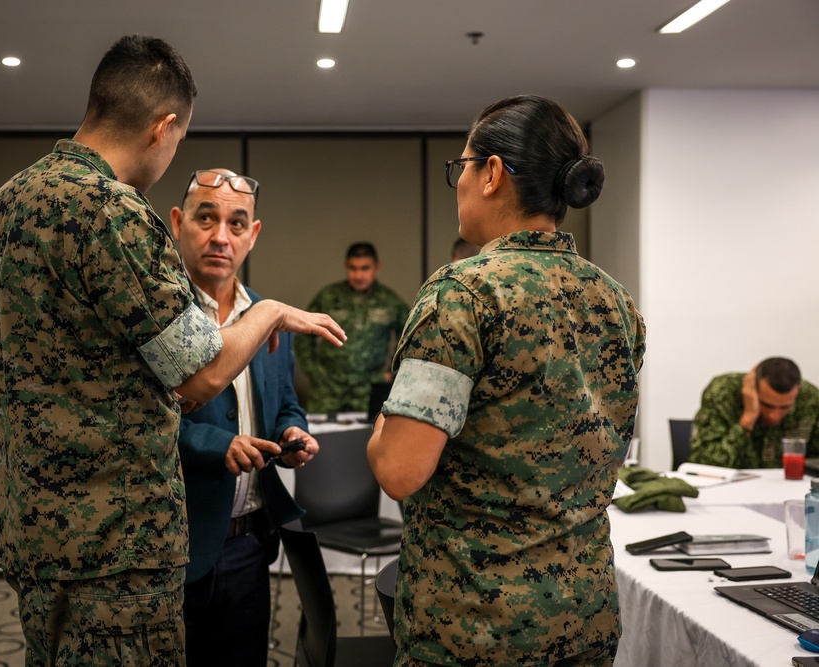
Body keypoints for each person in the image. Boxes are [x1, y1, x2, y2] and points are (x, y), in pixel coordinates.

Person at [0, 36, 344, 666]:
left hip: (30, 524)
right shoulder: (109, 210)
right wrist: (273, 309)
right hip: (111, 539)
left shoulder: (4, 205)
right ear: (163, 128)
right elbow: (200, 377)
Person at [366, 95, 646, 666]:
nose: (459, 183)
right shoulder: (615, 302)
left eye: (461, 167)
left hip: (475, 626)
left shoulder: (464, 294)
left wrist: (386, 419)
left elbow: (398, 469)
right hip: (584, 618)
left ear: (492, 173)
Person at [170, 168, 317, 666]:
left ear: (252, 235)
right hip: (175, 544)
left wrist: (292, 431)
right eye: (205, 218)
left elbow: (284, 402)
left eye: (236, 223)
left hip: (252, 542)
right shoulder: (157, 317)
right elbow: (144, 423)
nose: (220, 236)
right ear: (178, 223)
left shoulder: (271, 316)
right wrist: (219, 447)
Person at [295, 242, 409, 413]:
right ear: (346, 266)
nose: (358, 275)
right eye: (353, 268)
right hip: (329, 389)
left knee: (370, 437)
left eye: (365, 268)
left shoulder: (389, 301)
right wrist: (316, 373)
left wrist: (392, 373)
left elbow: (409, 337)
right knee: (323, 438)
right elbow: (303, 335)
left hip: (370, 388)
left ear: (377, 267)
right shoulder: (329, 297)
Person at [689, 357, 819, 468]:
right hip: (730, 491)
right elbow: (703, 463)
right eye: (767, 405)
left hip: (790, 490)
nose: (773, 415)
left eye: (785, 407)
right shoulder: (722, 393)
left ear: (798, 390)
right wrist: (748, 418)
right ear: (753, 389)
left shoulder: (811, 400)